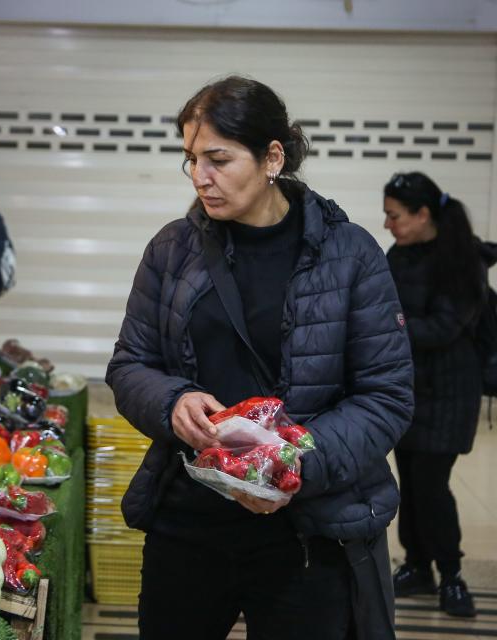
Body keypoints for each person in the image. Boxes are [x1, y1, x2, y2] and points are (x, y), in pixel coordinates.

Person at [106, 76, 414, 639]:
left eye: (219, 159)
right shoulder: (173, 250)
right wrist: (172, 402)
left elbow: (386, 397)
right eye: (192, 160)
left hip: (307, 533)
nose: (201, 177)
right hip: (190, 524)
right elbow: (130, 364)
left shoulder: (350, 256)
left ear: (273, 157)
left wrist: (293, 466)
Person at [383, 172, 495, 618]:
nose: (388, 224)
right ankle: (417, 566)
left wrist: (390, 327)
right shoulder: (399, 254)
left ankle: (451, 575)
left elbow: (444, 328)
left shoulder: (462, 259)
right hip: (408, 389)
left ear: (423, 214)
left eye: (395, 216)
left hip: (449, 392)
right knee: (409, 483)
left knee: (431, 487)